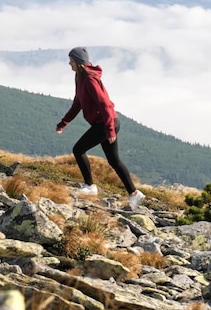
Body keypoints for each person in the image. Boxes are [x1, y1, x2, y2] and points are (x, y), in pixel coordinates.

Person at [56, 46, 145, 209]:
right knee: (114, 160)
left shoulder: (89, 80)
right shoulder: (80, 77)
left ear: (79, 63)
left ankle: (90, 187)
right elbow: (78, 103)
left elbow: (104, 104)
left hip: (105, 123)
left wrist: (110, 129)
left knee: (78, 150)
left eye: (72, 61)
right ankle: (134, 194)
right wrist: (64, 122)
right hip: (107, 122)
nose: (69, 63)